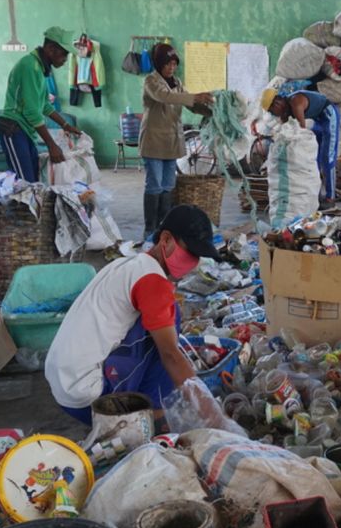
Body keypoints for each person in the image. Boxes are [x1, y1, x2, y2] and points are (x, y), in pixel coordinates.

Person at [45, 204, 219, 424]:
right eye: (190, 252)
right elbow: (171, 356)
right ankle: (152, 415)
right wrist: (213, 414)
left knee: (161, 322)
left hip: (62, 383)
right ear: (165, 240)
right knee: (168, 326)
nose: (192, 262)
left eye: (197, 256)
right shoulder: (153, 281)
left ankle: (151, 409)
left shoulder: (126, 264)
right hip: (89, 397)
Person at [140, 42, 213, 242]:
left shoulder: (177, 82)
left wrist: (213, 111)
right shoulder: (151, 81)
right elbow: (165, 97)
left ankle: (164, 226)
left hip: (171, 143)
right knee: (154, 185)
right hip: (154, 141)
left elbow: (191, 105)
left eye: (174, 64)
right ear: (158, 64)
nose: (171, 68)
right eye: (167, 64)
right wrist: (194, 96)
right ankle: (149, 230)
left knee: (168, 185)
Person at [0, 26, 83, 182]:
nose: (65, 59)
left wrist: (65, 125)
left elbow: (44, 105)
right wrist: (51, 145)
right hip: (13, 128)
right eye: (64, 54)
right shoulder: (30, 67)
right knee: (24, 183)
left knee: (34, 181)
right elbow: (31, 111)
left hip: (24, 130)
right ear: (51, 49)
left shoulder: (40, 69)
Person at [262, 87, 340, 208]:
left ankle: (331, 197)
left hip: (329, 115)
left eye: (272, 111)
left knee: (327, 157)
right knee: (315, 160)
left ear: (277, 103)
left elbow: (301, 130)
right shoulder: (285, 112)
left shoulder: (296, 102)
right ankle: (315, 194)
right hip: (318, 120)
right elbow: (285, 131)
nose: (273, 114)